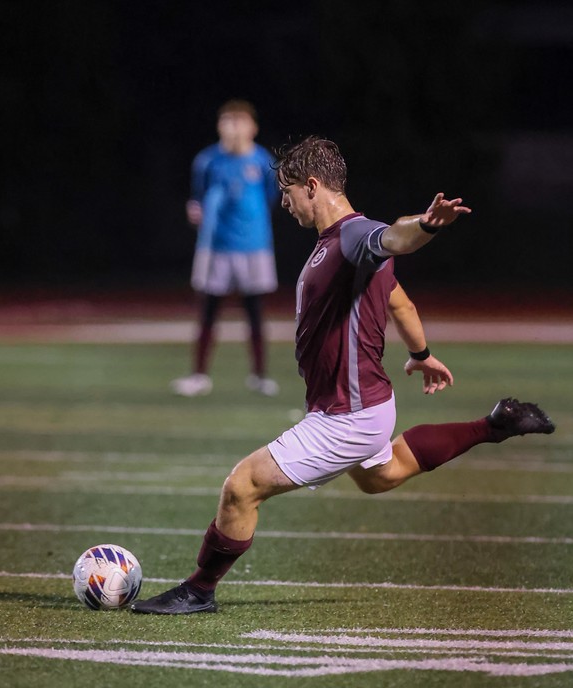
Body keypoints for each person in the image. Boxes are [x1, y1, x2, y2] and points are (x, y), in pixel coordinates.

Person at [134, 136, 556, 615]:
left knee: (241, 486)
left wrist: (426, 225)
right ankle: (493, 425)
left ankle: (199, 590)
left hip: (347, 415)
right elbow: (400, 301)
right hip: (367, 404)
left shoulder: (354, 237)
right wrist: (421, 352)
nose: (285, 203)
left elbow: (394, 236)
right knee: (383, 474)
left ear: (312, 185)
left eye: (287, 191)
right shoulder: (337, 248)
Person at [171, 100, 280, 398]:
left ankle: (259, 376)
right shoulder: (207, 161)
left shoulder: (262, 161)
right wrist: (195, 211)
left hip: (254, 246)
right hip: (215, 247)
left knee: (255, 313)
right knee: (208, 312)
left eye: (240, 120)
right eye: (228, 121)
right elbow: (197, 198)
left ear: (252, 127)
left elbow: (272, 198)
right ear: (219, 126)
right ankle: (198, 376)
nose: (234, 127)